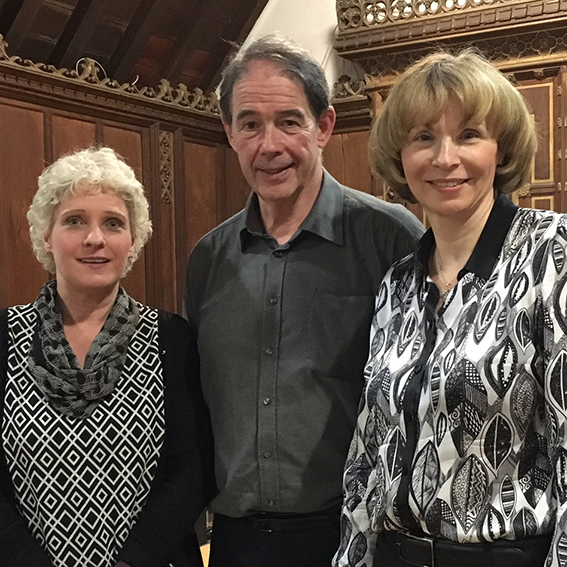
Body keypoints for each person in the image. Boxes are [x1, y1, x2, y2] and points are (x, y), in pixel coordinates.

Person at [184, 34, 424, 567]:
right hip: (235, 542)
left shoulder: (391, 239)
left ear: (325, 127)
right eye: (249, 123)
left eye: (289, 121)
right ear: (229, 133)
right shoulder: (208, 259)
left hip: (356, 536)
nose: (269, 145)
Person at [333, 49, 567, 567]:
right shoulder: (397, 284)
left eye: (468, 135)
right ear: (401, 156)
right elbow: (369, 455)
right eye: (423, 137)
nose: (444, 158)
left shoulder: (554, 255)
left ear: (501, 149)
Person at [0, 146, 214, 567]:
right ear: (46, 234)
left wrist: (133, 561)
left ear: (132, 240)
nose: (95, 238)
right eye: (75, 220)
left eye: (113, 223)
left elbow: (193, 470)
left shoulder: (171, 338)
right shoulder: (6, 336)